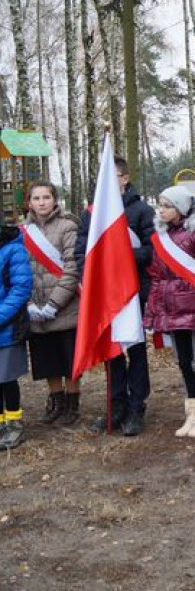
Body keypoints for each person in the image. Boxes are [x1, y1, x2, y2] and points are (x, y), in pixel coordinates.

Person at [80, 155, 155, 436]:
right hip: (104, 292)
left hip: (134, 291)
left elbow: (152, 251)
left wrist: (121, 255)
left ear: (124, 178)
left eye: (113, 177)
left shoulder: (142, 211)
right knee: (111, 352)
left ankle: (136, 406)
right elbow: (81, 251)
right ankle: (117, 405)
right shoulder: (93, 214)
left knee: (135, 349)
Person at [145, 186, 195, 439]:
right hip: (171, 310)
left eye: (167, 206)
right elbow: (157, 278)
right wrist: (152, 314)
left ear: (180, 208)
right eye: (160, 205)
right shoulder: (161, 238)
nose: (161, 210)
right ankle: (192, 412)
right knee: (183, 361)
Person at [23, 181, 82, 426]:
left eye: (46, 197)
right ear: (29, 202)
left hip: (65, 306)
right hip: (36, 307)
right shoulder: (23, 231)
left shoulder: (68, 226)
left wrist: (54, 304)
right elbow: (19, 272)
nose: (42, 202)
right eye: (36, 198)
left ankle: (72, 402)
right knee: (48, 360)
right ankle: (56, 400)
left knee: (69, 358)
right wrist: (29, 304)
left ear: (55, 199)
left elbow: (72, 268)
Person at [0, 223, 33, 449]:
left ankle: (14, 423)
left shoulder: (14, 249)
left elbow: (21, 288)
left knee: (7, 377)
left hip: (7, 327)